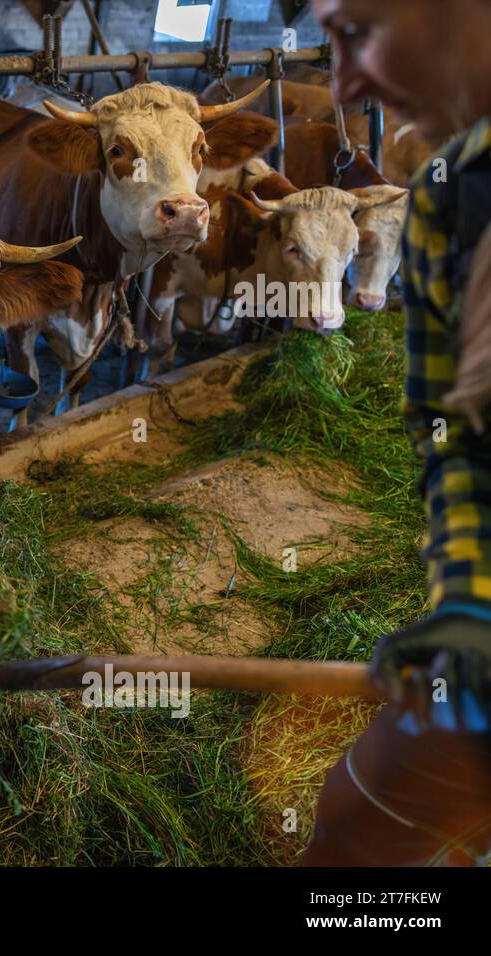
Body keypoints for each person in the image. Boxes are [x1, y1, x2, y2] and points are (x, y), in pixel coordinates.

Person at [300, 0, 491, 866]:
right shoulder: (449, 200)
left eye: (355, 31)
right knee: (356, 833)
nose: (341, 85)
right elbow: (452, 428)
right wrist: (466, 600)